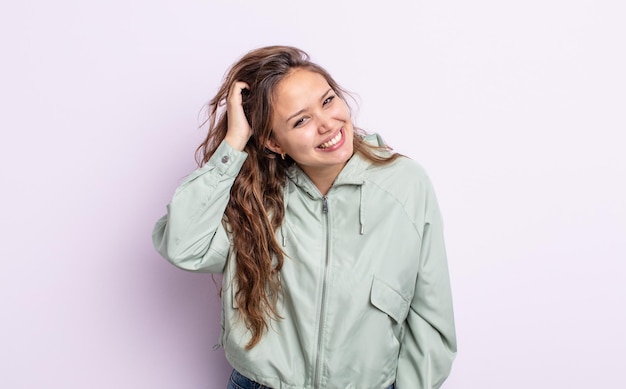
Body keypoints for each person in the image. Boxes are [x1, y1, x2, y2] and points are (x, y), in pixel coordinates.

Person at [152, 45, 457, 389]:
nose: (327, 125)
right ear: (273, 142)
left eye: (327, 101)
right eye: (301, 120)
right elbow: (183, 246)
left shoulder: (405, 183)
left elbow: (431, 315)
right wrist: (234, 144)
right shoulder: (256, 197)